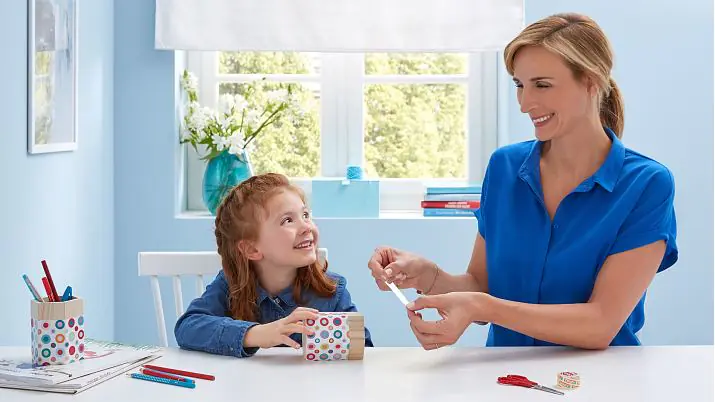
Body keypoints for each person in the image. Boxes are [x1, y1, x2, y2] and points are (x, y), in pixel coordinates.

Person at [368, 13, 677, 350]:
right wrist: (428, 276)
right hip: (506, 372)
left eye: (542, 85)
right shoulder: (504, 167)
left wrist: (482, 306)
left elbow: (600, 324)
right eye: (519, 85)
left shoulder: (646, 184)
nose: (525, 104)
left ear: (591, 82)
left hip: (600, 375)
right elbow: (482, 285)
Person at [176, 173, 373, 357]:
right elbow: (187, 327)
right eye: (288, 220)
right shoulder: (230, 286)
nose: (306, 227)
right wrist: (256, 334)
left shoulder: (331, 290)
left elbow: (363, 350)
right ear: (251, 249)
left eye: (305, 215)